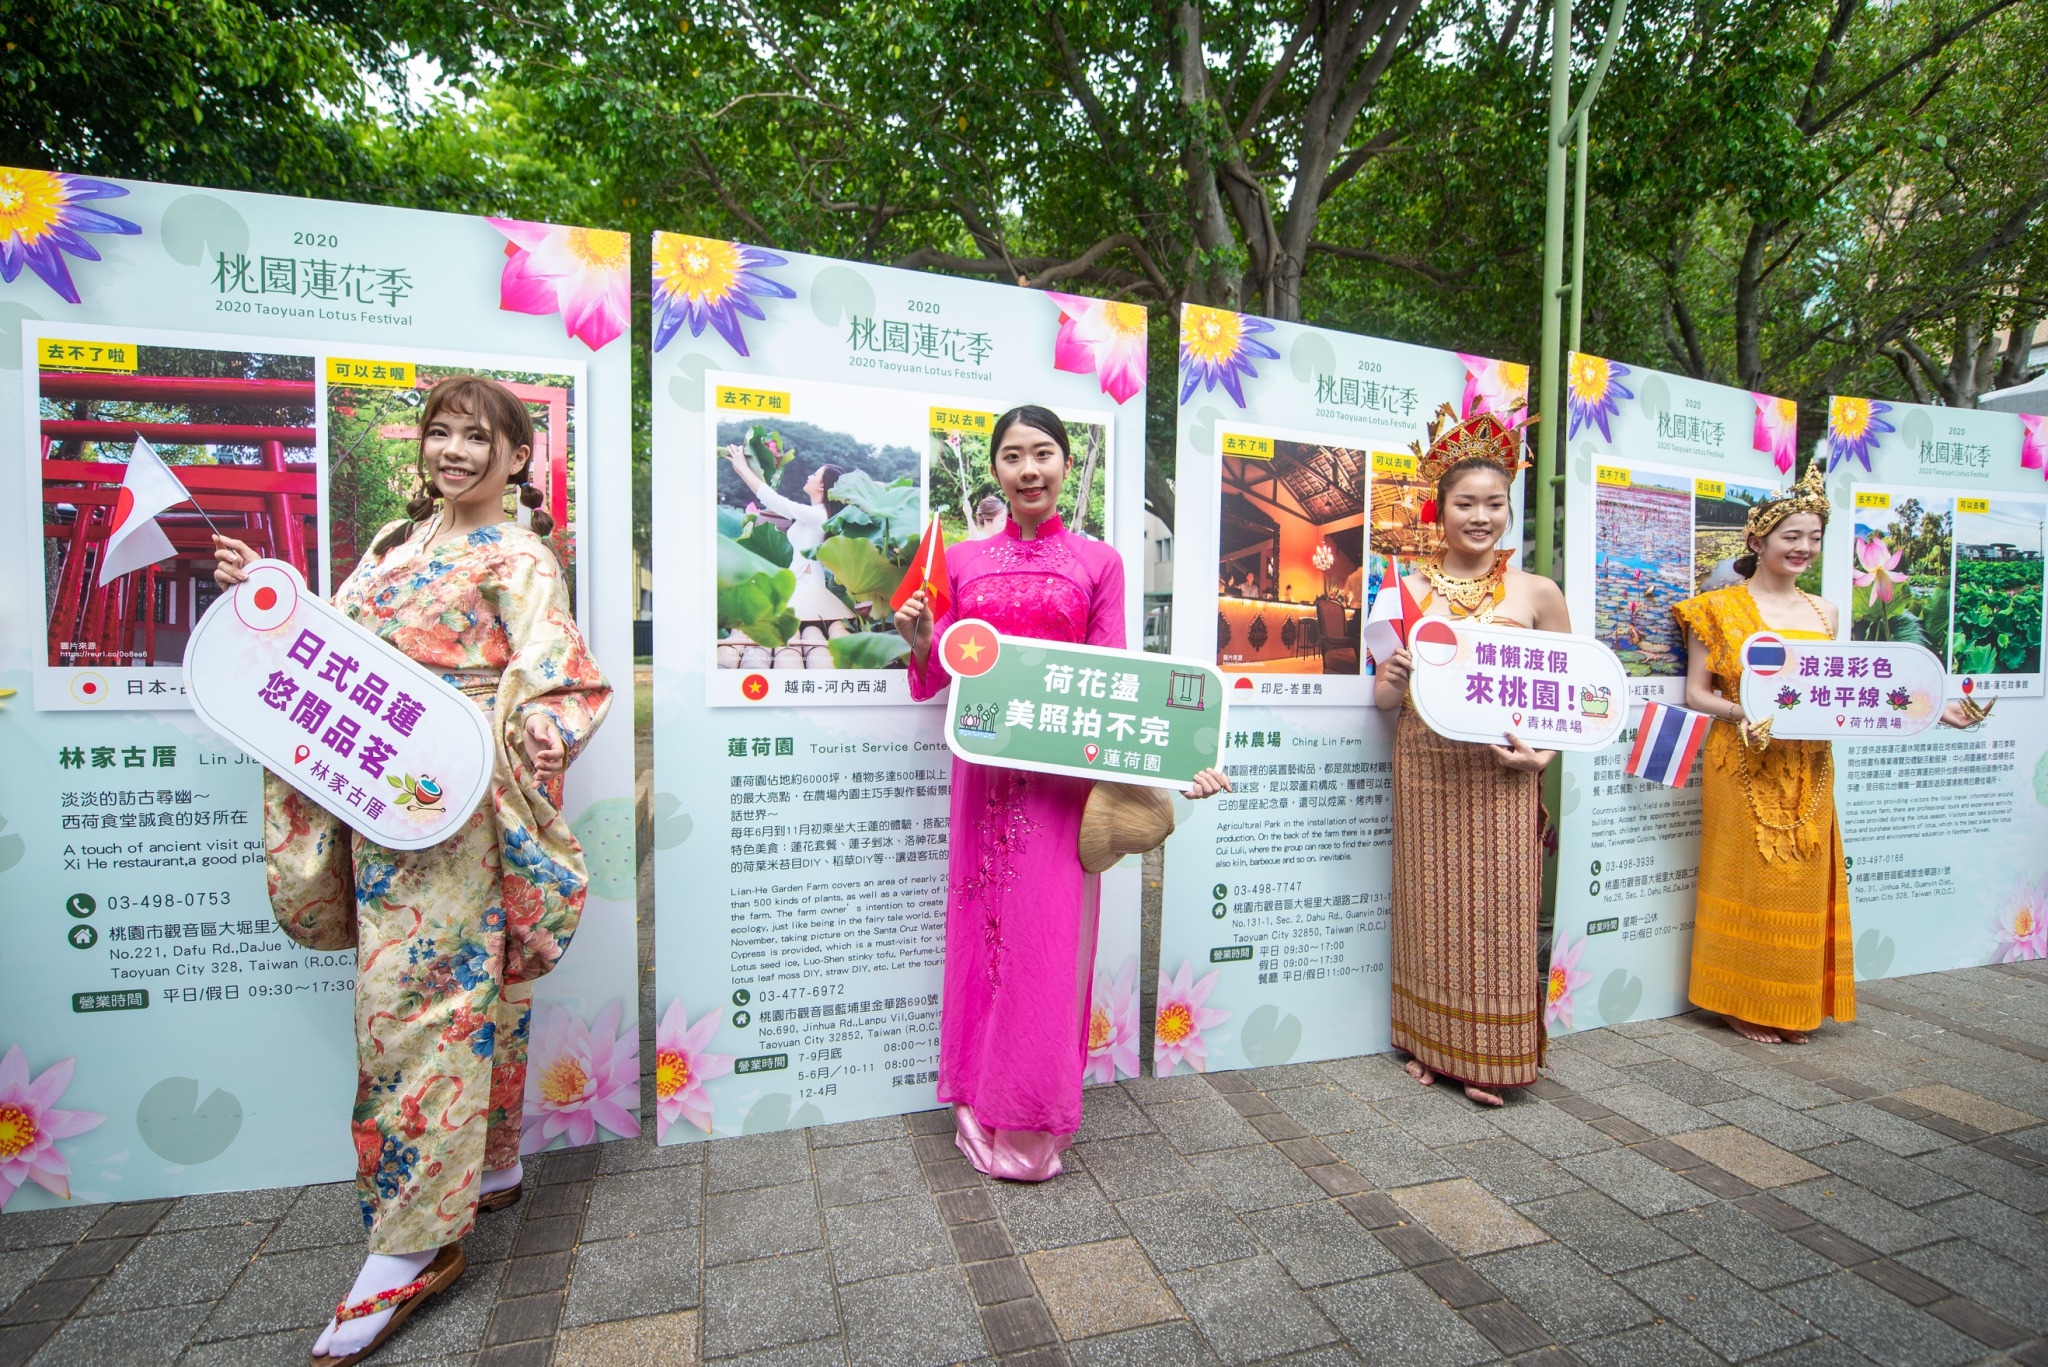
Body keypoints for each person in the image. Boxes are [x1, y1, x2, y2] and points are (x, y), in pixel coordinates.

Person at [213, 376, 609, 1364]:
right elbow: (335, 651)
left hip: (457, 807)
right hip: (377, 799)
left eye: (481, 437)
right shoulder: (393, 545)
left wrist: (495, 751)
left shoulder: (520, 557)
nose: (455, 451)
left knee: (415, 1007)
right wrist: (268, 591)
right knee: (475, 994)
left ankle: (412, 1244)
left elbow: (565, 685)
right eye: (441, 432)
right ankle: (492, 1161)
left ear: (518, 458)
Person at [894, 404, 1229, 1179]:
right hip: (981, 778)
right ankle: (978, 1096)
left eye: (1043, 453)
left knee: (1048, 946)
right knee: (982, 940)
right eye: (1012, 456)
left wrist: (1182, 763)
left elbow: (1120, 686)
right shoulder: (964, 564)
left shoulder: (1099, 562)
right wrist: (920, 644)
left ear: (1067, 463)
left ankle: (1033, 1115)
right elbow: (936, 679)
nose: (1030, 469)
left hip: (1063, 784)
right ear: (996, 472)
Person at [1672, 461, 1978, 1044]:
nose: (1803, 548)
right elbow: (1697, 693)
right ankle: (1737, 1000)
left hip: (1809, 762)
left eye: (1813, 537)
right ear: (1757, 540)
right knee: (1745, 878)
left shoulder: (1825, 612)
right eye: (1791, 536)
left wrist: (1933, 707)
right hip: (1739, 760)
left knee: (1801, 879)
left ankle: (1789, 1000)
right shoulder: (1714, 609)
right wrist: (1748, 715)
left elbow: (1846, 686)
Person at [1372, 406, 1566, 1107]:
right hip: (1425, 765)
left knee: (1500, 910)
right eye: (1465, 503)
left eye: (1494, 503)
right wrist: (1390, 680)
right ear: (1440, 509)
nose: (1480, 517)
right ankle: (1430, 1042)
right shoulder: (1405, 591)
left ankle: (1495, 1053)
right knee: (1430, 908)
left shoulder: (1538, 593)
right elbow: (1383, 704)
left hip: (1500, 773)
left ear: (1509, 509)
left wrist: (1540, 757)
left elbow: (1568, 698)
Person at [724, 448, 856, 621]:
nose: (809, 476)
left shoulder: (818, 515)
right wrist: (746, 468)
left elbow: (774, 500)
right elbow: (770, 498)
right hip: (799, 580)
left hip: (806, 585)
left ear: (822, 486)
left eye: (815, 475)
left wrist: (742, 468)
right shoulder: (813, 514)